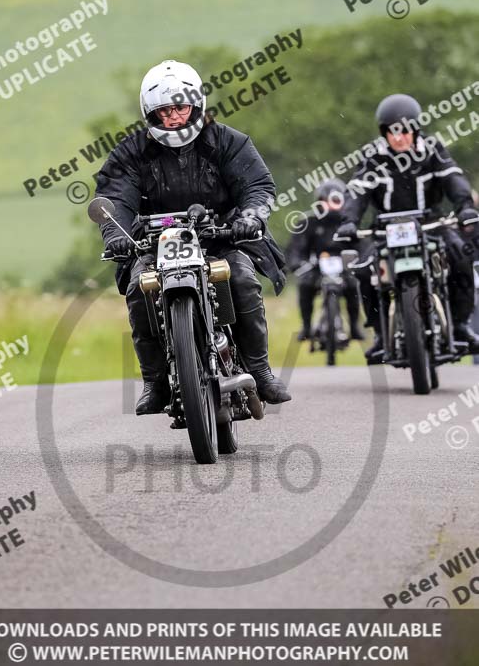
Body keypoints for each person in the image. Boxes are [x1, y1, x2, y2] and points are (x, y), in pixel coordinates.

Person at [95, 59, 292, 414]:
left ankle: (260, 372)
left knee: (243, 279)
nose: (174, 117)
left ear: (196, 105)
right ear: (150, 113)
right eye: (164, 111)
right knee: (140, 288)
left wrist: (250, 216)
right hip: (156, 243)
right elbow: (114, 199)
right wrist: (116, 232)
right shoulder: (130, 153)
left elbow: (257, 185)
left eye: (180, 107)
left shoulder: (228, 141)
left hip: (221, 237)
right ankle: (155, 381)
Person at [335, 93, 479, 359]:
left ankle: (459, 325)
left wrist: (465, 208)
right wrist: (349, 222)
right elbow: (356, 192)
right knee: (365, 271)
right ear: (384, 133)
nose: (398, 138)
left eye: (404, 131)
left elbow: (454, 178)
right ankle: (380, 334)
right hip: (386, 229)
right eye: (391, 132)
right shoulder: (372, 156)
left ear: (415, 129)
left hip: (432, 224)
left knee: (461, 257)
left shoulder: (433, 149)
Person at [285, 179, 364, 342]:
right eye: (328, 200)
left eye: (336, 200)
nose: (332, 205)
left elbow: (361, 247)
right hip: (315, 268)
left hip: (345, 267)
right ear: (320, 201)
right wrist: (297, 264)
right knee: (305, 284)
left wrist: (360, 264)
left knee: (353, 285)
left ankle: (355, 326)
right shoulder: (308, 222)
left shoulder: (349, 223)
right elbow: (296, 249)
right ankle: (306, 326)